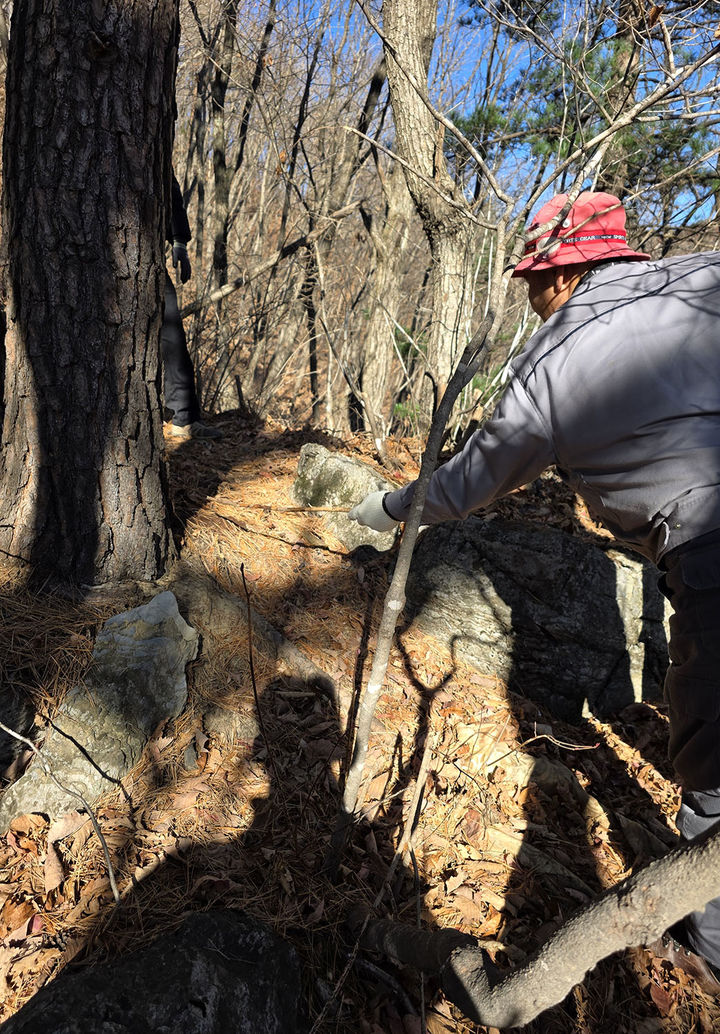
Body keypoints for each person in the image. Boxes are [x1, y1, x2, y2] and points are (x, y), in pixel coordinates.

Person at [348, 190, 720, 993]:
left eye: (532, 281)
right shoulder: (704, 280)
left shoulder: (555, 360)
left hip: (709, 553)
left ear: (560, 275)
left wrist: (385, 509)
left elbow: (471, 484)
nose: (529, 297)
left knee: (716, 769)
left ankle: (710, 956)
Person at [162, 175, 222, 440]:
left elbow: (168, 183)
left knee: (172, 334)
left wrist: (179, 240)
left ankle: (184, 418)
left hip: (139, 260)